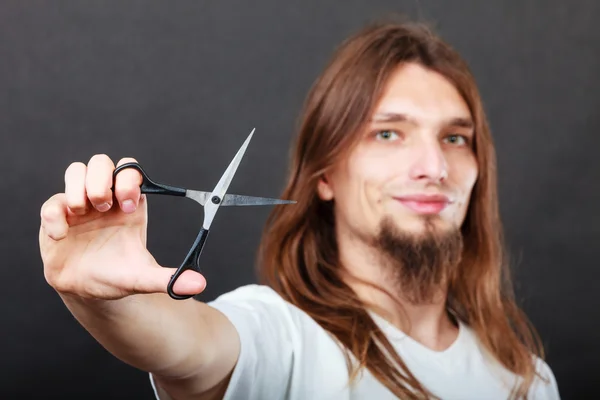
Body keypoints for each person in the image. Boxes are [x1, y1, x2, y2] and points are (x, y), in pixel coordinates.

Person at [39, 19, 561, 400]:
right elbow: (190, 346)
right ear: (326, 175)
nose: (434, 165)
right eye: (387, 133)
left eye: (454, 137)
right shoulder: (280, 338)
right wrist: (105, 303)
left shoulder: (527, 380)